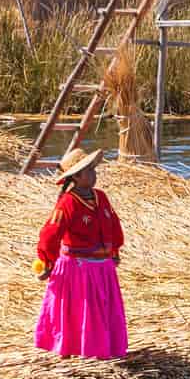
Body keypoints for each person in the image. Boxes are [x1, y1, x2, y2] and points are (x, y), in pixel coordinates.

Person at [35, 147, 127, 359]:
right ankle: (73, 349)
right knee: (80, 311)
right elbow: (51, 233)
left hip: (103, 267)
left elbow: (113, 224)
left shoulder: (101, 197)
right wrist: (47, 262)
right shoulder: (67, 202)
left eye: (94, 169)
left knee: (102, 309)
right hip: (78, 269)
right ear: (76, 176)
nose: (95, 174)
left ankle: (103, 349)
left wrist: (114, 250)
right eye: (89, 170)